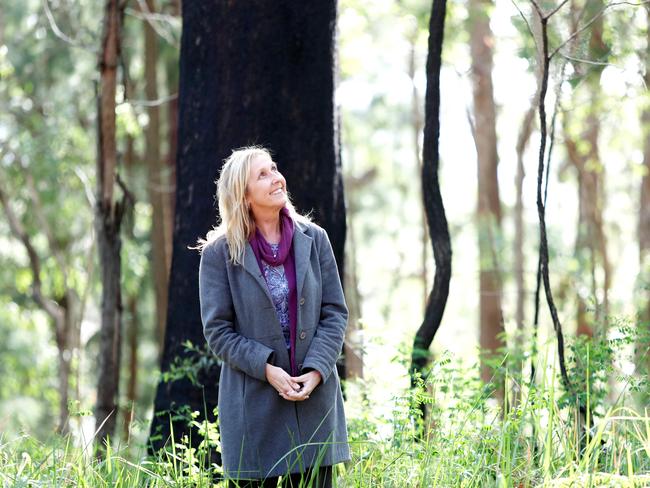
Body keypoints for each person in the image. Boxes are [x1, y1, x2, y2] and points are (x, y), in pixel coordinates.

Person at [198, 146, 350, 487]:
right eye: (262, 174)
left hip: (314, 399)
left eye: (274, 168)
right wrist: (268, 370)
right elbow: (218, 332)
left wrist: (317, 370)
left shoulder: (316, 239)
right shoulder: (218, 254)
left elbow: (335, 312)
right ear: (243, 193)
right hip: (255, 406)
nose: (276, 177)